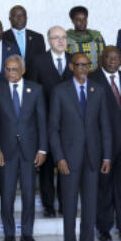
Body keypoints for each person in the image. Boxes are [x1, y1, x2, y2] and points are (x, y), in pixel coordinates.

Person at [49, 53, 112, 241]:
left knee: (90, 209)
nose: (84, 68)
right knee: (69, 209)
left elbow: (105, 125)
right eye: (79, 65)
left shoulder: (98, 90)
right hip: (69, 160)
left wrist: (107, 156)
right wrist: (59, 158)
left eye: (87, 65)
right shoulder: (60, 91)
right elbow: (53, 129)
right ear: (71, 67)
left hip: (93, 158)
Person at [0, 54, 46, 241]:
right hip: (7, 151)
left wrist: (42, 149)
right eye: (7, 69)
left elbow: (42, 122)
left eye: (14, 69)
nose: (10, 73)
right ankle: (9, 235)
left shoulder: (36, 90)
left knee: (29, 195)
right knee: (7, 196)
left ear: (22, 70)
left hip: (30, 151)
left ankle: (27, 234)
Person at [91, 46, 121, 241]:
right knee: (103, 190)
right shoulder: (93, 80)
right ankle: (104, 228)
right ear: (102, 58)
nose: (112, 61)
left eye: (116, 57)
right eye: (109, 57)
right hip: (102, 148)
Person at [32, 26, 72, 218]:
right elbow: (32, 92)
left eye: (64, 37)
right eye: (56, 38)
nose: (61, 41)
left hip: (69, 124)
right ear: (49, 40)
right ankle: (49, 205)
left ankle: (65, 204)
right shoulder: (39, 62)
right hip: (46, 121)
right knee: (47, 166)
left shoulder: (75, 61)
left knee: (67, 164)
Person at [2, 5, 46, 75]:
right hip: (10, 78)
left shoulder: (38, 38)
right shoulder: (2, 37)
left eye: (22, 15)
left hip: (33, 81)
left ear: (26, 18)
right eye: (15, 16)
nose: (19, 18)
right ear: (10, 19)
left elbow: (42, 62)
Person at [66, 6, 106, 71]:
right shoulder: (67, 38)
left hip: (96, 75)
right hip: (76, 76)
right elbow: (66, 61)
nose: (82, 22)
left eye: (84, 19)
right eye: (78, 20)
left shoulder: (97, 36)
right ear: (73, 21)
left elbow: (103, 56)